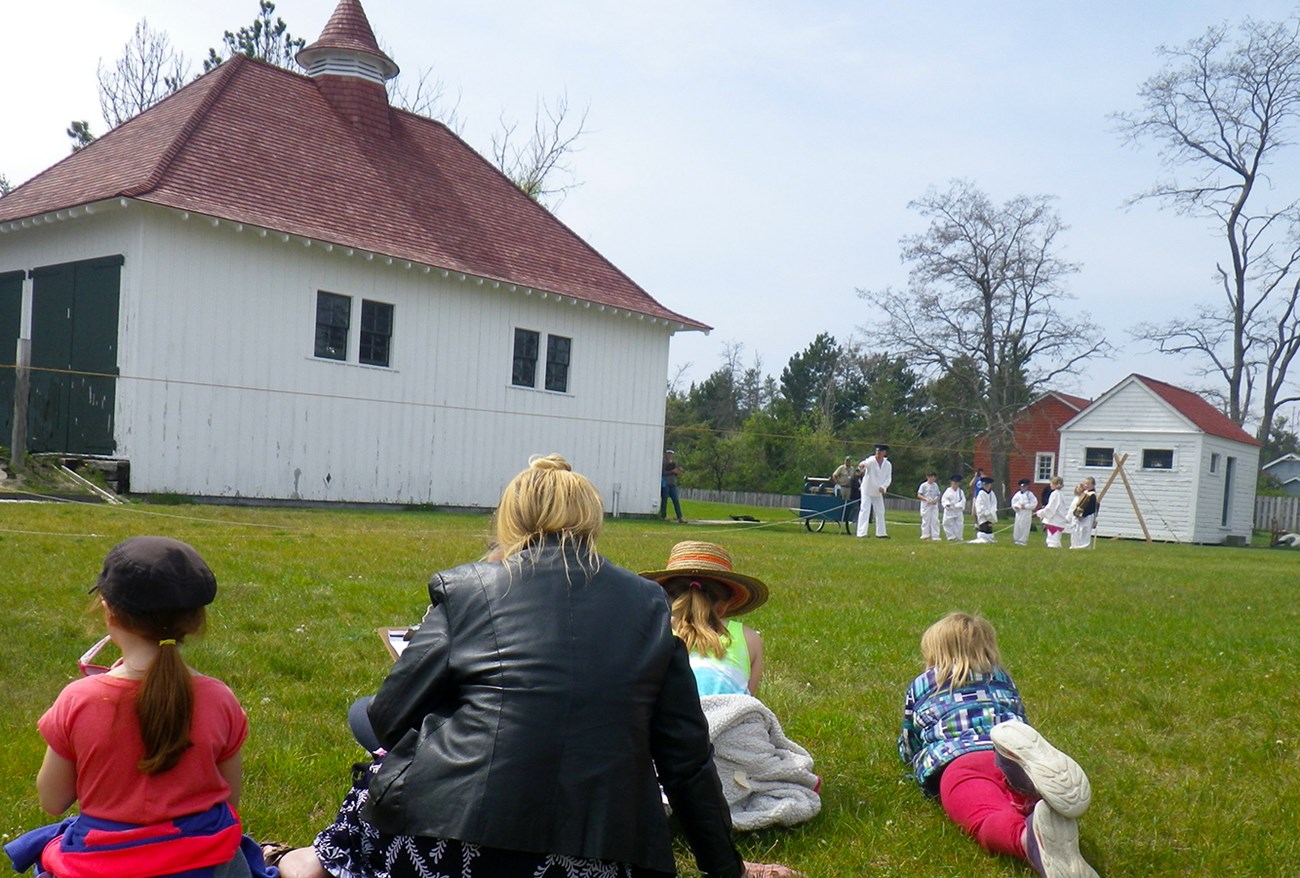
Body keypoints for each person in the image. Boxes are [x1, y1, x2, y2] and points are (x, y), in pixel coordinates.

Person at [275, 455, 797, 878]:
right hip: (608, 854)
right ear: (593, 520)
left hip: (453, 842)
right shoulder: (647, 605)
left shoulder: (466, 589)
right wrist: (723, 868)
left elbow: (389, 718)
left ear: (508, 518)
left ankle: (298, 861)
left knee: (370, 756)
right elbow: (686, 761)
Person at [5, 537, 274, 878]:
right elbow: (229, 801)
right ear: (194, 621)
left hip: (99, 865)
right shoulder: (221, 699)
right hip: (207, 865)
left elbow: (52, 800)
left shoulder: (79, 699)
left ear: (108, 611)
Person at [898, 612, 1097, 878]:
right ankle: (1032, 796)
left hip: (960, 761)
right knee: (1018, 795)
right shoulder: (1002, 678)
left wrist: (907, 757)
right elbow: (1021, 722)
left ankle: (1027, 839)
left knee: (984, 814)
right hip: (1006, 750)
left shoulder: (922, 685)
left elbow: (911, 742)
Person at [641, 540, 768, 696]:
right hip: (727, 719)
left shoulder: (650, 633)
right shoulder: (750, 639)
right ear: (724, 606)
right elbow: (746, 704)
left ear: (664, 595)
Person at [856, 443, 893, 538]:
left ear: (884, 453)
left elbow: (888, 478)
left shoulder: (888, 464)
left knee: (880, 511)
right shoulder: (871, 460)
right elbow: (864, 464)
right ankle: (861, 533)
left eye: (880, 452)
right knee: (865, 510)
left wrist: (884, 487)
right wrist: (861, 466)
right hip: (867, 489)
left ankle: (881, 533)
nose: (878, 453)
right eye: (877, 451)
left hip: (878, 491)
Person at [1035, 476, 1069, 548]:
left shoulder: (1055, 494)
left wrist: (1039, 513)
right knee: (1056, 539)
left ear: (1055, 484)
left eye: (1051, 483)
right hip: (1059, 520)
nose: (1050, 485)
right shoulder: (1061, 494)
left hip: (1054, 520)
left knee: (1052, 540)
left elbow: (1050, 508)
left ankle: (1053, 549)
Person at [1071, 477, 1099, 550]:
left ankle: (1084, 546)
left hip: (1088, 516)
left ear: (1093, 485)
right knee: (1078, 530)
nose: (1086, 485)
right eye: (1085, 483)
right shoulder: (1085, 493)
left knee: (1085, 530)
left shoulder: (1092, 495)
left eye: (1088, 484)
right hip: (1081, 515)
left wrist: (1083, 515)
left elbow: (1091, 507)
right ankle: (1077, 545)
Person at [1010, 479, 1039, 546]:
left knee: (1025, 526)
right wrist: (1016, 506)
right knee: (1018, 525)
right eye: (1022, 486)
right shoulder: (1017, 494)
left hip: (1026, 513)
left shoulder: (1030, 494)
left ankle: (1023, 540)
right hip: (1019, 512)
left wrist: (1026, 506)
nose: (1023, 488)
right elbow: (1013, 502)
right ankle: (1017, 539)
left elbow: (1034, 503)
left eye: (1025, 486)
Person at [970, 478, 998, 543]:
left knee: (989, 528)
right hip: (983, 515)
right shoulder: (981, 493)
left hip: (990, 515)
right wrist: (985, 512)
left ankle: (989, 538)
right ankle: (983, 538)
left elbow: (994, 503)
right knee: (984, 526)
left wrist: (992, 511)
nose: (987, 486)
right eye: (985, 485)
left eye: (988, 484)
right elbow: (979, 505)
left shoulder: (992, 494)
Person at [661, 448, 685, 522]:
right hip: (665, 483)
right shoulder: (663, 463)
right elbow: (663, 473)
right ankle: (663, 516)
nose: (670, 455)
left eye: (671, 454)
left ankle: (680, 517)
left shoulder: (675, 463)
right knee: (664, 500)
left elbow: (675, 473)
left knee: (676, 500)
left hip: (673, 484)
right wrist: (672, 471)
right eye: (668, 453)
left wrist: (678, 471)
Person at [917, 472, 942, 540]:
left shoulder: (936, 485)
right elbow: (919, 495)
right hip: (926, 505)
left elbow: (938, 494)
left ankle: (935, 535)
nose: (932, 478)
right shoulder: (923, 485)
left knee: (935, 520)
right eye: (931, 477)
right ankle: (925, 534)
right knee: (926, 520)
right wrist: (926, 499)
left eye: (934, 477)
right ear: (927, 477)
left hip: (934, 504)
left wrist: (936, 500)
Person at [941, 474, 966, 542]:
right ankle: (950, 537)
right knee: (947, 523)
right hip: (950, 510)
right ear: (951, 483)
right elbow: (944, 499)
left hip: (958, 510)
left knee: (959, 524)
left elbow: (963, 500)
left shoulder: (960, 492)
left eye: (957, 483)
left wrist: (959, 505)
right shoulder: (948, 491)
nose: (955, 484)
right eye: (954, 483)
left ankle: (958, 537)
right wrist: (947, 504)